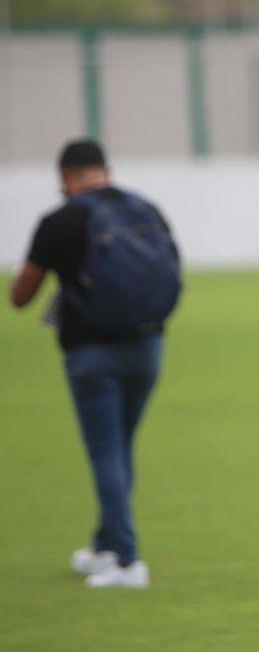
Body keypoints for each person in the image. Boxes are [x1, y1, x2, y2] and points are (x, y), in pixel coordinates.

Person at [9, 138, 180, 589]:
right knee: (119, 447)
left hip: (91, 354)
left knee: (107, 452)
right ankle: (105, 545)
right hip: (148, 348)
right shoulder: (145, 208)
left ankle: (126, 561)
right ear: (105, 169)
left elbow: (20, 297)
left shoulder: (60, 221)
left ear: (65, 176)